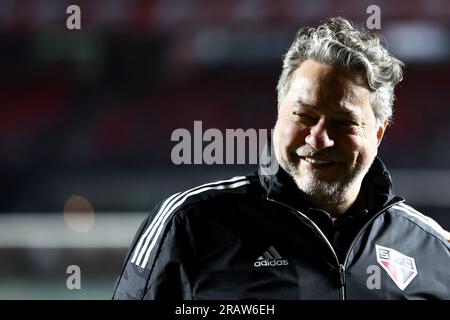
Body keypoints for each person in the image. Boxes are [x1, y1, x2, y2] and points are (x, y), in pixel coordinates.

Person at [113, 17, 450, 300]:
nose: (318, 138)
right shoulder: (188, 225)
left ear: (378, 132)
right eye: (303, 116)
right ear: (279, 113)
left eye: (343, 122)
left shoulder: (432, 250)